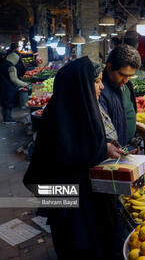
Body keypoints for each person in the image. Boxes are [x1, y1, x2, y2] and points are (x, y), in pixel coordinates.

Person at [23, 56, 124, 259]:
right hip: (68, 199)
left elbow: (85, 143)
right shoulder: (59, 115)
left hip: (85, 197)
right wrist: (102, 149)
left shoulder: (84, 108)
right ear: (80, 85)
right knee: (75, 246)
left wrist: (104, 145)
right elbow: (70, 153)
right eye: (96, 81)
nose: (101, 87)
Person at [99, 44, 141, 147]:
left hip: (127, 148)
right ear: (109, 67)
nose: (126, 80)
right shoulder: (100, 92)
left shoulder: (126, 85)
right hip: (115, 153)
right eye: (122, 74)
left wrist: (131, 145)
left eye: (130, 76)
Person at [0, 43, 28, 123]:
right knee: (9, 104)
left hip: (2, 87)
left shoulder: (2, 64)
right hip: (9, 88)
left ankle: (5, 118)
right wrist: (25, 84)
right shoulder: (11, 67)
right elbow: (14, 79)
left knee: (4, 104)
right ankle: (8, 119)